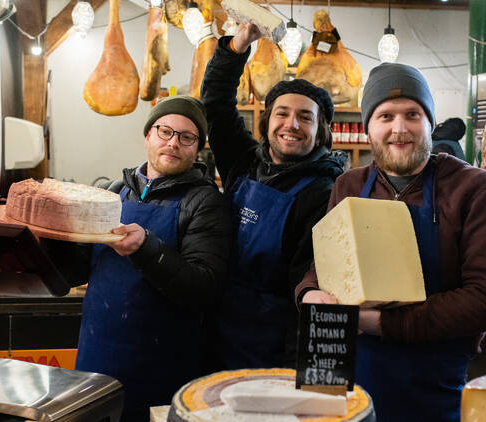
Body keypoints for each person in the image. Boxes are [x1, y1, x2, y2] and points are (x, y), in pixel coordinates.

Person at [295, 63, 486, 422]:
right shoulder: (349, 185)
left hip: (431, 387)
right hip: (346, 377)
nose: (400, 129)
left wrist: (379, 323)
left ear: (429, 122)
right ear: (368, 127)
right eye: (385, 116)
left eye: (412, 114)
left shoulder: (475, 189)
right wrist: (308, 294)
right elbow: (324, 268)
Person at [69, 95, 233, 420]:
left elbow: (204, 288)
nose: (173, 143)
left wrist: (147, 248)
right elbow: (75, 270)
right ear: (148, 135)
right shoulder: (113, 191)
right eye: (165, 131)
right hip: (96, 356)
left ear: (197, 147)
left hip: (161, 366)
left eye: (187, 137)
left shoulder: (205, 203)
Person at [201, 23, 346, 369]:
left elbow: (314, 294)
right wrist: (235, 48)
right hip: (217, 334)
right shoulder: (245, 163)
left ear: (320, 131)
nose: (291, 124)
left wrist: (303, 378)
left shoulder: (326, 194)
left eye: (305, 117)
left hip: (276, 349)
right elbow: (215, 103)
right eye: (282, 113)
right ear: (267, 122)